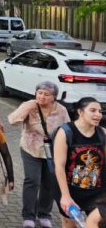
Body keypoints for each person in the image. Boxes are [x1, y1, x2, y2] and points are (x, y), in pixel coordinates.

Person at [7, 81, 70, 228]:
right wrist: (28, 107)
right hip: (31, 148)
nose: (42, 97)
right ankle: (28, 216)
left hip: (53, 151)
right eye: (39, 93)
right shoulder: (30, 105)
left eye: (46, 94)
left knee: (49, 183)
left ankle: (44, 214)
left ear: (54, 97)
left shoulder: (61, 110)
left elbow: (67, 130)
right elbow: (12, 120)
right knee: (32, 180)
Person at [53, 97, 106, 227]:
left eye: (100, 111)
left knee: (94, 223)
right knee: (69, 225)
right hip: (70, 191)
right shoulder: (66, 132)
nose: (98, 114)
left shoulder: (103, 133)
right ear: (80, 112)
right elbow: (59, 166)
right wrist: (65, 196)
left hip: (96, 193)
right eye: (93, 110)